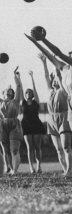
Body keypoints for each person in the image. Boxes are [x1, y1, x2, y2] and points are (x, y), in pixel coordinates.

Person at [26, 34, 72, 176]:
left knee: (65, 146)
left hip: (65, 113)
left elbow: (57, 53)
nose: (68, 56)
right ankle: (68, 171)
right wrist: (36, 42)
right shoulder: (65, 69)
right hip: (69, 108)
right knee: (62, 147)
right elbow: (53, 57)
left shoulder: (63, 74)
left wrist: (44, 39)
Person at [0, 67, 23, 175]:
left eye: (11, 91)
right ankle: (8, 168)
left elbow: (18, 86)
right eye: (7, 90)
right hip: (2, 124)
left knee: (14, 150)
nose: (9, 91)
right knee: (5, 150)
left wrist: (16, 77)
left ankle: (15, 171)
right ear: (3, 93)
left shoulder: (16, 101)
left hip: (14, 125)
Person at [21, 71, 46, 173]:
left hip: (36, 125)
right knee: (29, 148)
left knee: (37, 147)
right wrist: (18, 77)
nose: (28, 94)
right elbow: (20, 88)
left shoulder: (36, 102)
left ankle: (39, 166)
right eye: (27, 92)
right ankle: (31, 167)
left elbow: (35, 89)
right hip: (26, 125)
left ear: (33, 94)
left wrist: (32, 77)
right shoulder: (22, 102)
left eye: (30, 92)